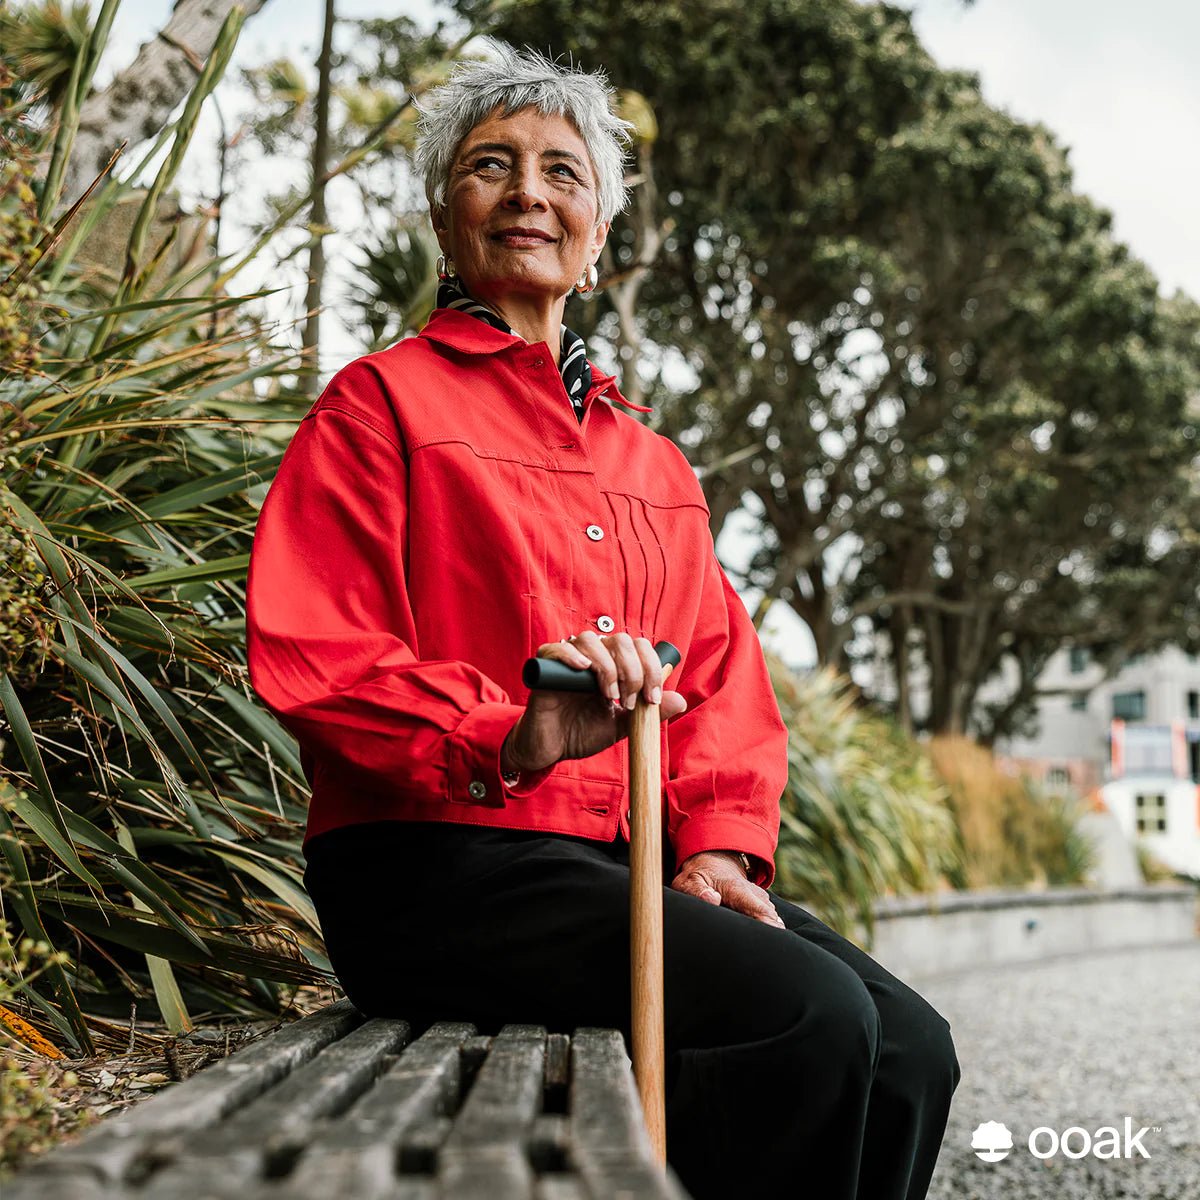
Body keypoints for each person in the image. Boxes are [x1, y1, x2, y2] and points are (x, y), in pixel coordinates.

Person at [244, 40, 961, 1200]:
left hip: (619, 863)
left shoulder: (654, 461)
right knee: (806, 1016)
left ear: (601, 236)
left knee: (912, 1050)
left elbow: (721, 683)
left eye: (562, 172)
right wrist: (508, 734)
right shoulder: (378, 404)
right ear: (445, 217)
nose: (529, 191)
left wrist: (721, 846)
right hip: (436, 867)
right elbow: (317, 654)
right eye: (491, 165)